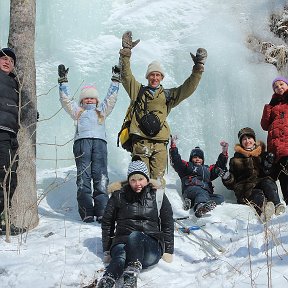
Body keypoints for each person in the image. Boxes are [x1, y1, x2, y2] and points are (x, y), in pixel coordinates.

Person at [119, 31, 207, 185]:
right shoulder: (138, 91)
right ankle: (141, 207)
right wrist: (126, 53)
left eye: (158, 75)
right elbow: (126, 77)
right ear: (147, 77)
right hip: (140, 143)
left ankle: (157, 208)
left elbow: (188, 88)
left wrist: (198, 68)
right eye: (152, 75)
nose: (154, 78)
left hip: (160, 143)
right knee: (140, 181)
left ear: (162, 78)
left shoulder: (168, 95)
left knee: (158, 182)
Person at [94, 157, 174, 288]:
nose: (137, 184)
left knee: (136, 236)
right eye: (133, 180)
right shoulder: (118, 195)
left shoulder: (158, 195)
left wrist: (168, 250)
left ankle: (131, 274)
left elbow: (167, 222)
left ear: (147, 179)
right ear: (128, 181)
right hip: (122, 242)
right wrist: (107, 250)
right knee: (120, 256)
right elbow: (107, 223)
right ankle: (107, 280)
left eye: (141, 179)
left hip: (150, 247)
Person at [58, 64, 121, 223]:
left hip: (100, 143)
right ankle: (86, 210)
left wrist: (115, 80)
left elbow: (111, 98)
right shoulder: (78, 111)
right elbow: (66, 100)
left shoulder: (101, 110)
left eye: (92, 97)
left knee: (100, 176)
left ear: (96, 99)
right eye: (86, 97)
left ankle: (102, 210)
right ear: (82, 100)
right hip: (82, 143)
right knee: (83, 176)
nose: (89, 99)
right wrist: (63, 81)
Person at [222, 127, 285, 221]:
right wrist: (227, 178)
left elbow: (273, 176)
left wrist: (269, 167)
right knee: (257, 194)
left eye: (249, 138)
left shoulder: (263, 155)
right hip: (245, 189)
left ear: (254, 140)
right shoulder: (235, 160)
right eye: (244, 139)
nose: (247, 141)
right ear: (241, 142)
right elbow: (232, 184)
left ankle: (277, 205)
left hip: (262, 183)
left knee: (267, 183)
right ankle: (264, 211)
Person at [169, 136, 228, 217]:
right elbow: (176, 161)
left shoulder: (207, 169)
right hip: (191, 190)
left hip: (204, 193)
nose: (197, 159)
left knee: (220, 198)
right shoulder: (187, 166)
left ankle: (191, 202)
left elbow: (219, 166)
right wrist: (173, 146)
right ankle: (199, 208)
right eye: (195, 157)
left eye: (200, 158)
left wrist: (224, 152)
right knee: (201, 192)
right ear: (191, 158)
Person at [0, 47, 23, 235]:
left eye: (11, 60)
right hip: (0, 132)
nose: (7, 62)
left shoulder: (15, 83)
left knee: (11, 178)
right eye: (3, 58)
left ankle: (4, 221)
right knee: (2, 177)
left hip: (11, 135)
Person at [261, 76, 288, 205]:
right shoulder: (272, 106)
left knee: (285, 178)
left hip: (286, 147)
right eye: (276, 87)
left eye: (281, 84)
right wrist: (269, 106)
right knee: (273, 178)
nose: (279, 88)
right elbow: (264, 125)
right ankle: (273, 204)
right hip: (274, 149)